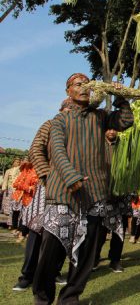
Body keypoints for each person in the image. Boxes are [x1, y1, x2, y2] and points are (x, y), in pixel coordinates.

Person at [32, 73, 134, 305]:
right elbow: (57, 151)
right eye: (78, 84)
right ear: (68, 91)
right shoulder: (59, 121)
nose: (84, 87)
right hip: (63, 193)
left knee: (87, 254)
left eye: (87, 84)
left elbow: (126, 121)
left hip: (96, 195)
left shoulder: (100, 116)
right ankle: (42, 298)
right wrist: (70, 176)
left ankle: (70, 297)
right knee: (51, 252)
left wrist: (120, 97)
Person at [12, 99, 73, 292]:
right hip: (46, 186)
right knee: (37, 230)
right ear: (61, 110)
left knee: (62, 231)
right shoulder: (50, 125)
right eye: (68, 108)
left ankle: (53, 271)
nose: (71, 112)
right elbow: (35, 150)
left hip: (69, 188)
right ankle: (27, 275)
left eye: (74, 109)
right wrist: (47, 174)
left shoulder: (81, 131)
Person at [93, 129, 126, 273]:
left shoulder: (124, 144)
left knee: (119, 229)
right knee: (98, 229)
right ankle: (94, 259)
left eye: (115, 129)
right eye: (109, 128)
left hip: (120, 192)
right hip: (101, 192)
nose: (112, 131)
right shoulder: (97, 144)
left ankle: (115, 260)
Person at [2, 158, 21, 231]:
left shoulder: (21, 171)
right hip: (9, 191)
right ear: (13, 163)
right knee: (9, 209)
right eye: (16, 161)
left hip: (17, 191)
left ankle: (13, 224)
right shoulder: (8, 171)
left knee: (15, 208)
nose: (18, 163)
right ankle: (10, 224)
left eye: (19, 161)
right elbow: (5, 180)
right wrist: (4, 189)